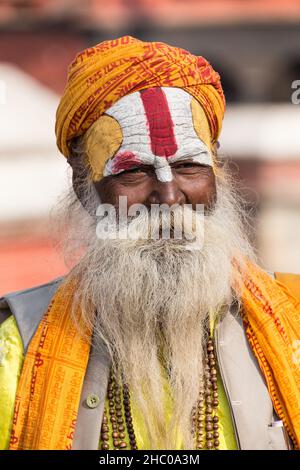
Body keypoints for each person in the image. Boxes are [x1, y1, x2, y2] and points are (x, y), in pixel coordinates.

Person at [0, 36, 299, 451]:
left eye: (188, 166)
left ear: (217, 172)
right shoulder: (15, 348)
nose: (169, 197)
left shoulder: (294, 324)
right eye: (135, 172)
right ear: (85, 186)